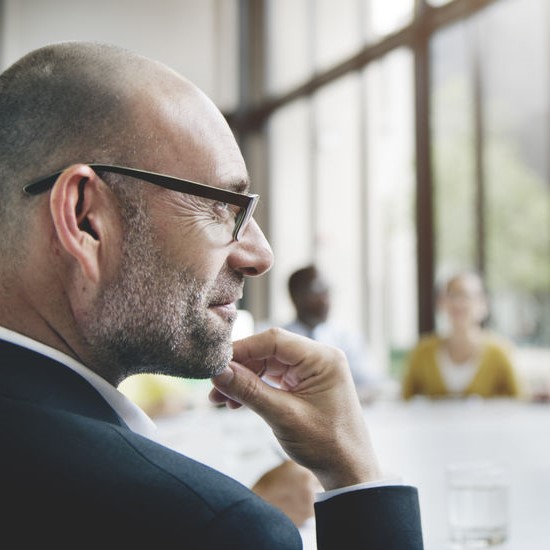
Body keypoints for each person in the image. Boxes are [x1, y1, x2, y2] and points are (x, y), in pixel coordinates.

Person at [0, 41, 423, 548]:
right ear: (86, 218)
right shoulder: (215, 525)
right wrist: (354, 472)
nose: (261, 255)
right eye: (223, 207)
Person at [402, 270, 521, 400]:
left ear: (483, 304)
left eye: (465, 296)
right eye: (452, 295)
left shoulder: (499, 352)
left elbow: (521, 398)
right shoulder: (422, 351)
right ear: (441, 303)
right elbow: (404, 399)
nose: (457, 303)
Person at [282, 265, 380, 403]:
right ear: (294, 295)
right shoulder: (276, 340)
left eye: (327, 291)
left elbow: (370, 385)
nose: (325, 299)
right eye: (316, 291)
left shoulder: (348, 339)